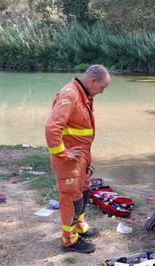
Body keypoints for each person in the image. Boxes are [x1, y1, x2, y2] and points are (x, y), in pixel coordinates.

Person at [45, 65, 111, 253]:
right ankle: (69, 240)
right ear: (93, 81)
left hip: (80, 158)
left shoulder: (83, 95)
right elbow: (52, 128)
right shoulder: (70, 95)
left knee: (83, 191)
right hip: (69, 161)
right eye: (102, 87)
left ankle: (79, 227)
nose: (102, 92)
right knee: (71, 198)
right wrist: (63, 153)